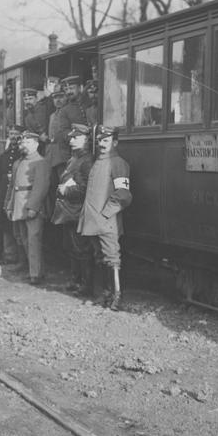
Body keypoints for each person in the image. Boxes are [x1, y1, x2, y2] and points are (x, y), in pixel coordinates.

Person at [77, 125, 132, 310]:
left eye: (106, 140)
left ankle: (116, 297)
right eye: (99, 140)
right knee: (99, 257)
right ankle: (104, 295)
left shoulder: (117, 163)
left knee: (112, 258)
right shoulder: (97, 162)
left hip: (107, 221)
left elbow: (123, 194)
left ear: (114, 142)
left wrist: (106, 214)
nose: (102, 144)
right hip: (93, 220)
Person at [53, 123, 95, 294]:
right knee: (71, 247)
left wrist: (67, 190)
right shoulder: (74, 159)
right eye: (71, 137)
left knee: (82, 249)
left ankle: (86, 285)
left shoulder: (87, 161)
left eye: (76, 137)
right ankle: (75, 279)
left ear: (87, 139)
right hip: (69, 210)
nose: (71, 140)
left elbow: (87, 189)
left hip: (78, 210)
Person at [5, 131, 51, 285]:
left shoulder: (41, 162)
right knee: (23, 239)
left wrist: (33, 207)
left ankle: (35, 274)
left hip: (32, 205)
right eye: (22, 142)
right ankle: (36, 270)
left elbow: (41, 187)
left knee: (34, 240)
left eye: (28, 142)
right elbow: (12, 187)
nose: (23, 145)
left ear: (36, 144)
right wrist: (9, 205)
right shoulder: (18, 162)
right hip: (18, 204)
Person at [0, 125, 24, 264]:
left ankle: (20, 258)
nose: (14, 136)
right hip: (3, 193)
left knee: (16, 225)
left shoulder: (22, 154)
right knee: (4, 225)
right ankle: (9, 256)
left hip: (17, 194)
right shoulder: (4, 155)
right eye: (11, 133)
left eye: (17, 134)